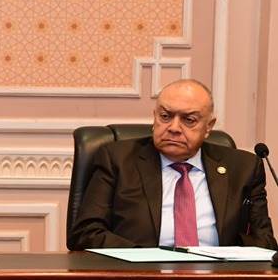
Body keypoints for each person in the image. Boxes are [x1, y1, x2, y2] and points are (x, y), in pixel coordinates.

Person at [69, 79, 277, 250]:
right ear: (155, 117)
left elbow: (264, 242)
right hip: (140, 279)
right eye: (165, 116)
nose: (174, 128)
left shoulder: (243, 168)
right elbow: (86, 233)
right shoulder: (118, 159)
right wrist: (145, 261)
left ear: (208, 127)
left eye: (189, 120)